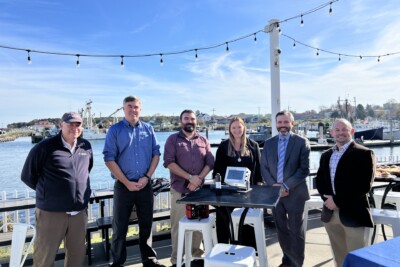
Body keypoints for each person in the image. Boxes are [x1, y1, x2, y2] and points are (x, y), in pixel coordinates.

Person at [21, 112, 93, 267]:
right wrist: (50, 193)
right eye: (70, 124)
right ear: (61, 125)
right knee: (44, 257)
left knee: (76, 255)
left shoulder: (86, 146)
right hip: (51, 213)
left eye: (78, 124)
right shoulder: (44, 147)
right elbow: (27, 176)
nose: (74, 128)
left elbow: (86, 171)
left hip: (78, 213)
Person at [103, 96, 165, 267]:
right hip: (123, 186)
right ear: (123, 109)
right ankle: (117, 263)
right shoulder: (114, 131)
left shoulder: (149, 129)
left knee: (146, 225)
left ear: (140, 109)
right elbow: (109, 159)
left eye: (136, 106)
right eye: (129, 106)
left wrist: (147, 177)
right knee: (120, 228)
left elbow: (156, 154)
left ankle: (149, 260)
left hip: (145, 186)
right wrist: (126, 182)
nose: (133, 110)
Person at [316, 118, 375, 267]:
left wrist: (337, 201)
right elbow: (320, 181)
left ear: (352, 132)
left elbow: (363, 185)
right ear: (331, 133)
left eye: (344, 130)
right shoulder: (326, 155)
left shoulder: (365, 153)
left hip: (353, 213)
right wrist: (327, 200)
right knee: (339, 256)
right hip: (330, 213)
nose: (341, 133)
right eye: (337, 130)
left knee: (358, 257)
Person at [163, 109, 215, 267]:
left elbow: (210, 162)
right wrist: (190, 178)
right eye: (186, 118)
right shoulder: (172, 140)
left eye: (192, 118)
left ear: (196, 121)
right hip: (180, 190)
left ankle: (196, 257)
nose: (189, 121)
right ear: (181, 121)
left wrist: (198, 179)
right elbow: (169, 162)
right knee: (179, 226)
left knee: (199, 226)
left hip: (199, 191)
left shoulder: (203, 140)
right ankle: (176, 260)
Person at [260, 110, 310, 267]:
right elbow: (264, 167)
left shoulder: (302, 142)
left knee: (296, 231)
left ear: (292, 123)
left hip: (295, 193)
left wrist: (285, 186)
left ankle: (297, 263)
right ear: (276, 124)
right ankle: (287, 260)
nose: (283, 125)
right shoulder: (269, 143)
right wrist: (275, 187)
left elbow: (304, 170)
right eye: (280, 122)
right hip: (275, 194)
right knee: (281, 229)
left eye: (286, 122)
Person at [212, 117, 263, 243]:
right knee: (223, 221)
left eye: (239, 127)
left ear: (244, 128)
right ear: (229, 129)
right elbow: (217, 169)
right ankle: (223, 249)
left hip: (247, 192)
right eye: (233, 127)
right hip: (227, 192)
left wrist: (258, 186)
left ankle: (246, 250)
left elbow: (258, 168)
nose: (237, 130)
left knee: (246, 222)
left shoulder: (253, 145)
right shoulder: (223, 146)